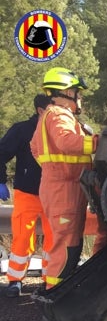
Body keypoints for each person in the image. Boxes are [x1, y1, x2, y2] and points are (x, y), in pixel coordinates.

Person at [30, 67, 107, 290]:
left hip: (60, 187)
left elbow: (35, 148)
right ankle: (55, 299)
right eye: (77, 92)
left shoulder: (48, 115)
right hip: (64, 190)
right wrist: (99, 142)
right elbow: (66, 142)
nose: (79, 97)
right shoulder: (58, 114)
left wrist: (54, 169)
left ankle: (57, 296)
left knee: (69, 245)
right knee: (67, 247)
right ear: (66, 91)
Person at [0, 94, 54, 297]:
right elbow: (1, 153)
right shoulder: (22, 130)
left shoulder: (59, 130)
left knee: (53, 241)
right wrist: (0, 180)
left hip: (54, 194)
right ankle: (15, 281)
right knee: (22, 239)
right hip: (27, 193)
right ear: (41, 110)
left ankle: (51, 282)